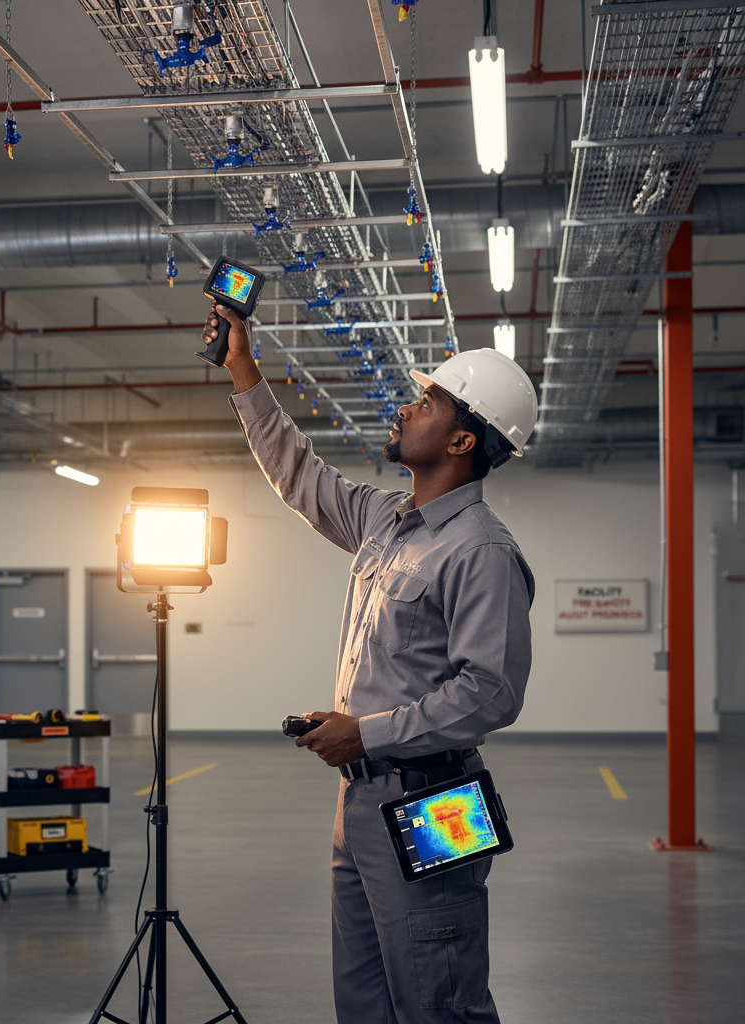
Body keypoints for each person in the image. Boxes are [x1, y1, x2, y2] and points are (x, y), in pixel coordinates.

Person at [202, 302, 537, 1024]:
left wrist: (369, 733)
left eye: (425, 401)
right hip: (359, 802)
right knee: (365, 1002)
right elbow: (299, 477)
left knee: (438, 998)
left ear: (459, 438)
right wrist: (242, 367)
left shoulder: (481, 551)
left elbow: (490, 693)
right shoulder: (387, 521)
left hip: (436, 799)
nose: (404, 408)